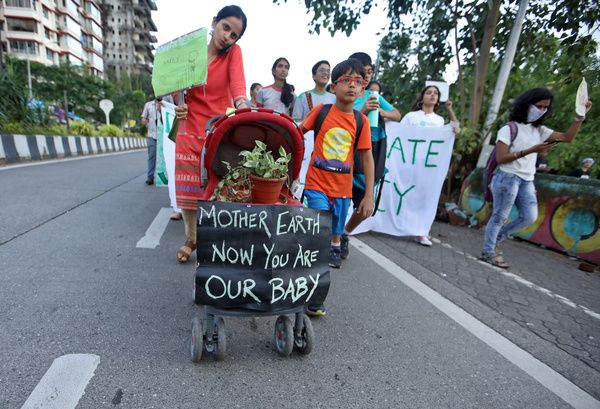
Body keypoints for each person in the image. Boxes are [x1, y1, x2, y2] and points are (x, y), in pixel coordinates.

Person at [482, 88, 592, 268]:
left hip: (527, 180)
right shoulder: (510, 128)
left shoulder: (539, 130)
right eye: (538, 106)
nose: (541, 111)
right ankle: (488, 251)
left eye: (545, 107)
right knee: (500, 216)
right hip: (507, 176)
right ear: (527, 104)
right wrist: (532, 150)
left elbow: (567, 137)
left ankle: (494, 241)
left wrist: (580, 116)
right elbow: (501, 158)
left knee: (529, 216)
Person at [299, 58, 375, 316]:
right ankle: (311, 297)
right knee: (319, 240)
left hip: (342, 192)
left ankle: (316, 296)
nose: (352, 86)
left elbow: (367, 158)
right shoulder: (320, 112)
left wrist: (368, 194)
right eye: (346, 80)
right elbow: (297, 133)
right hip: (316, 186)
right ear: (333, 87)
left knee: (328, 250)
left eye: (358, 81)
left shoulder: (361, 122)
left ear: (363, 90)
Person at [173, 5, 248, 263]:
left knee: (219, 187)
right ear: (214, 22)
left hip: (217, 129)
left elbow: (238, 85)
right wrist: (178, 102)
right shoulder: (190, 52)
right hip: (188, 126)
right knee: (188, 189)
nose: (228, 36)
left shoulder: (232, 54)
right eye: (225, 27)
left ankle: (219, 241)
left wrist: (243, 108)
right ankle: (191, 238)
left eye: (234, 34)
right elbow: (177, 86)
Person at [339, 52, 401, 260]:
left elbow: (397, 115)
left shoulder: (374, 96)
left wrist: (382, 112)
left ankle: (345, 233)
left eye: (368, 70)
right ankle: (335, 238)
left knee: (364, 207)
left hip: (371, 153)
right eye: (360, 70)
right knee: (341, 202)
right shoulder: (346, 95)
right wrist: (363, 111)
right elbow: (342, 121)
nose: (365, 74)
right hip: (347, 153)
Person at [400, 85, 461, 246]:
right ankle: (398, 225)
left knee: (425, 197)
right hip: (410, 163)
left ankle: (420, 231)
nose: (432, 95)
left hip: (429, 167)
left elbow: (454, 127)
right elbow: (399, 134)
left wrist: (449, 109)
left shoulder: (439, 120)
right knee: (405, 194)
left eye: (435, 93)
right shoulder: (411, 117)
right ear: (422, 97)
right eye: (429, 92)